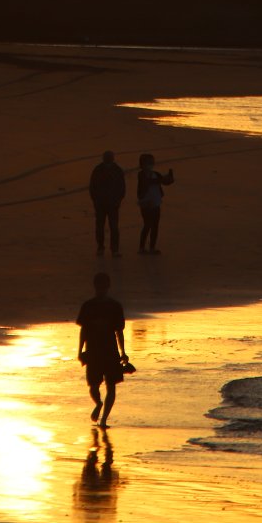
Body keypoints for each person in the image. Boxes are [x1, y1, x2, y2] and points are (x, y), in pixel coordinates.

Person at [76, 272, 130, 427]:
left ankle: (104, 419)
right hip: (98, 351)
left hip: (106, 351)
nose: (101, 289)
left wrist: (123, 352)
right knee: (95, 385)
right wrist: (80, 351)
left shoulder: (112, 306)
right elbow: (84, 330)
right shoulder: (91, 306)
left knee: (108, 385)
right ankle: (99, 405)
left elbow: (118, 331)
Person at [88, 150, 126, 256]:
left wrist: (118, 200)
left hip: (112, 204)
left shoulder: (117, 170)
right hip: (101, 204)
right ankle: (101, 247)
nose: (108, 159)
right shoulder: (98, 170)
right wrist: (95, 200)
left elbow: (122, 188)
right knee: (101, 226)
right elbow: (92, 187)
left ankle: (114, 249)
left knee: (113, 227)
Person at [137, 152, 174, 254]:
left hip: (156, 203)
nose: (150, 165)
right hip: (146, 204)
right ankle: (141, 247)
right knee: (147, 225)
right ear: (142, 164)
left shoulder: (156, 174)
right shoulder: (141, 175)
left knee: (155, 226)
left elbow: (165, 182)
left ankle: (152, 247)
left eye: (151, 162)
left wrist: (170, 178)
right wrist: (162, 179)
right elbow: (148, 182)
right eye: (148, 163)